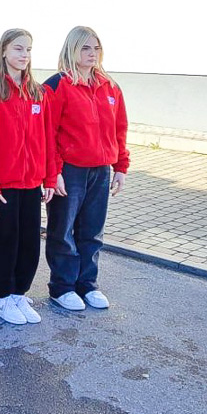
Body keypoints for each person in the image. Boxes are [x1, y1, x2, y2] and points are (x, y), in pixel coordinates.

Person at [44, 26, 129, 311]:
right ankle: (62, 287)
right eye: (85, 48)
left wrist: (120, 166)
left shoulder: (110, 87)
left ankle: (87, 284)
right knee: (63, 230)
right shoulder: (56, 86)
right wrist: (53, 172)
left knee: (92, 231)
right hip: (70, 170)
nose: (92, 54)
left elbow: (120, 129)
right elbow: (48, 133)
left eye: (96, 48)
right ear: (72, 49)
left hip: (101, 170)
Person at [0, 29, 56, 325]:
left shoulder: (39, 93)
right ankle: (3, 297)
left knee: (30, 242)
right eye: (18, 49)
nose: (24, 55)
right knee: (7, 240)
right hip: (4, 185)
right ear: (4, 52)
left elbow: (48, 138)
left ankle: (19, 293)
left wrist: (49, 178)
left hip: (32, 182)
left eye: (29, 50)